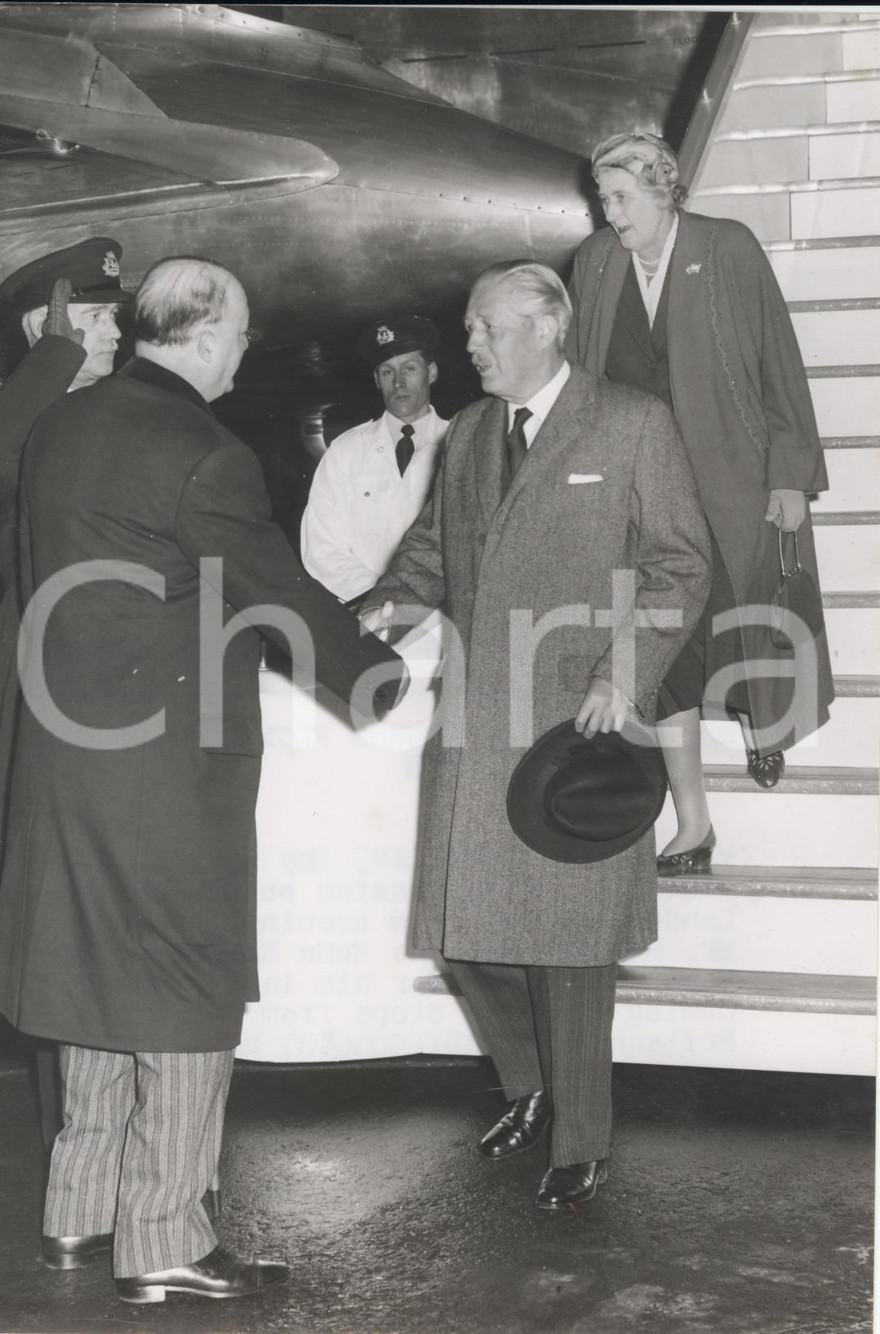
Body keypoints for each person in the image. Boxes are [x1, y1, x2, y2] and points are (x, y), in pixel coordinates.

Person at [0, 256, 407, 1302]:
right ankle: (165, 1235)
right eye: (243, 331)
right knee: (185, 982)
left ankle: (79, 1212)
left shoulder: (63, 425)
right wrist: (372, 674)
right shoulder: (202, 451)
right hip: (166, 769)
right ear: (210, 331)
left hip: (66, 753)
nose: (244, 351)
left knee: (93, 977)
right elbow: (272, 591)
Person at [360, 261, 710, 1209]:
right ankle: (530, 1086)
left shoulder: (632, 422)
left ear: (548, 326)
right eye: (472, 329)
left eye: (486, 328)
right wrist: (380, 606)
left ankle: (581, 1137)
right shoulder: (472, 432)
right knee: (462, 933)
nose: (469, 343)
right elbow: (432, 549)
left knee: (570, 946)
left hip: (576, 722)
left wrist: (622, 673)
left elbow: (681, 565)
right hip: (479, 715)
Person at [568, 131, 833, 871]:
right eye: (603, 200)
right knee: (661, 648)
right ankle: (693, 822)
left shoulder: (726, 247)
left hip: (731, 479)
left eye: (622, 198)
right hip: (640, 491)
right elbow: (580, 383)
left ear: (663, 189)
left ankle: (767, 728)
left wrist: (789, 477)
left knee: (747, 618)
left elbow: (779, 364)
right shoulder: (595, 263)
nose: (610, 214)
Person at [0, 237, 127, 1145]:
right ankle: (73, 1143)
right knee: (51, 898)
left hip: (127, 665)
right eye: (95, 318)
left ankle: (131, 1131)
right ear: (44, 328)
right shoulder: (0, 406)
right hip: (45, 668)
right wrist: (56, 357)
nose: (116, 332)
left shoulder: (124, 410)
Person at [301, 316, 449, 604]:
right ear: (376, 380)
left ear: (431, 372)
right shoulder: (345, 451)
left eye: (409, 368)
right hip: (362, 611)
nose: (399, 382)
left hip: (441, 613)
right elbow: (321, 549)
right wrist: (384, 601)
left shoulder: (460, 442)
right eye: (387, 371)